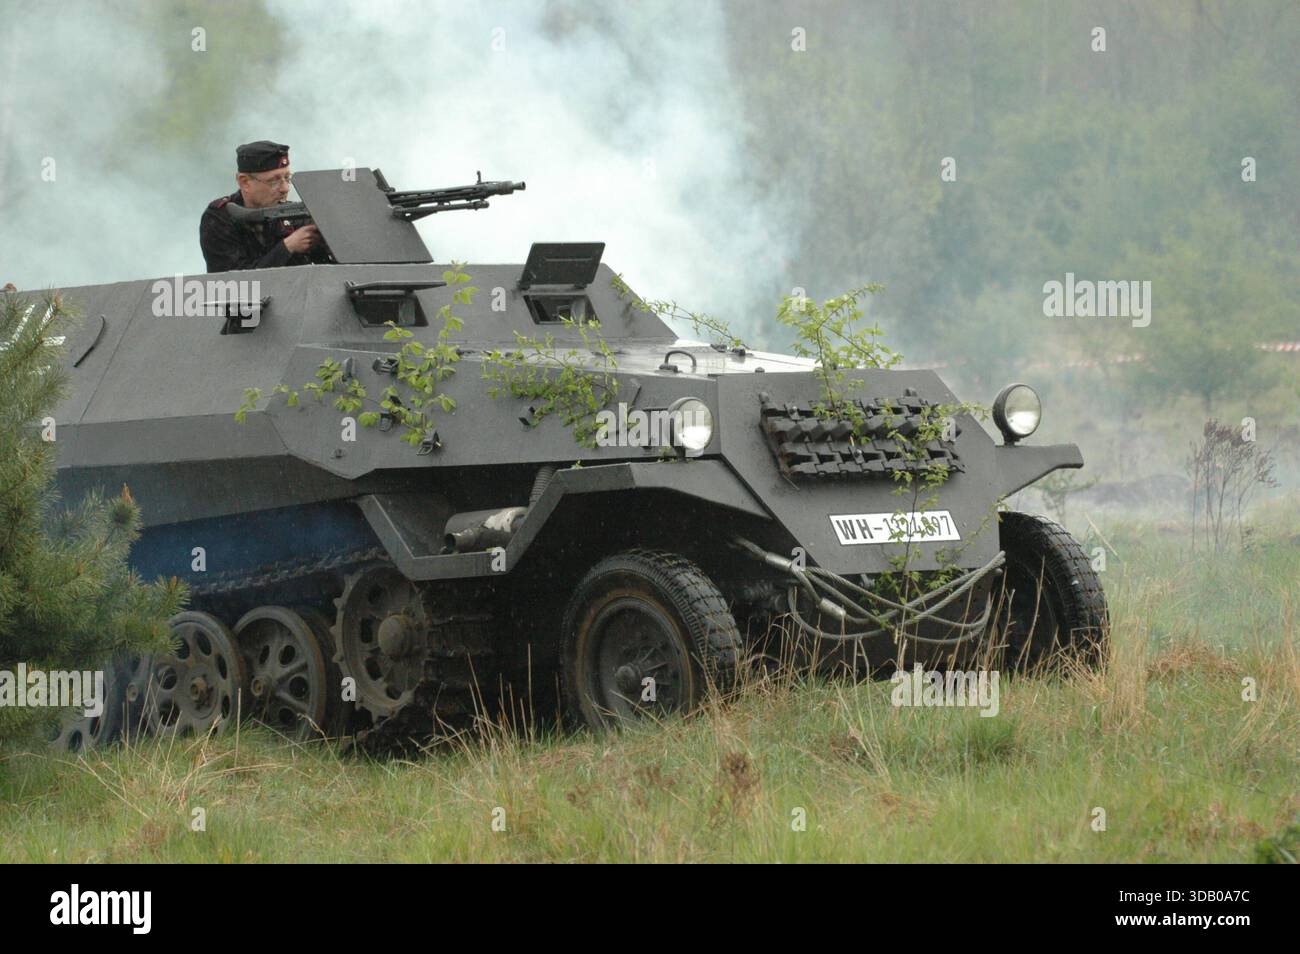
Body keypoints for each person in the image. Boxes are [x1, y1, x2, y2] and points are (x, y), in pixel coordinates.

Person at [199, 140, 323, 272]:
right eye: (274, 181)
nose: (285, 188)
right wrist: (287, 247)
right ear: (245, 182)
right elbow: (234, 283)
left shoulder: (295, 215)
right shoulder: (220, 218)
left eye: (287, 178)